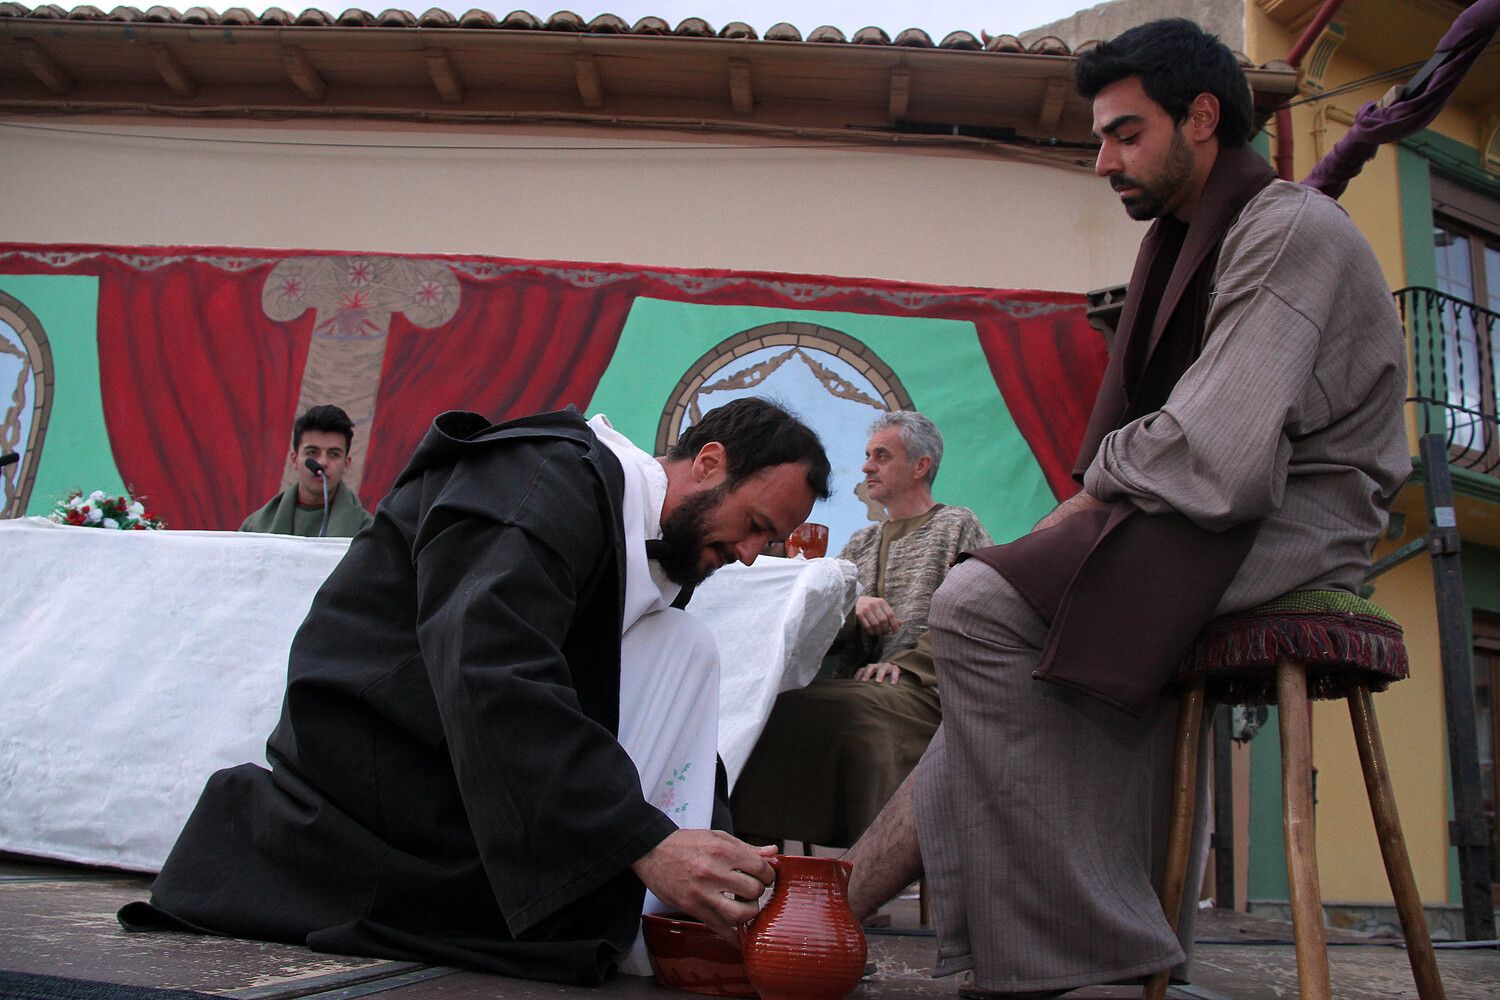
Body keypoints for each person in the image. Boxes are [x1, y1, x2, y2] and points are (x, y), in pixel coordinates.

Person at [842, 19, 1411, 998]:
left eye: (1125, 132)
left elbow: (1219, 456)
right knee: (992, 661)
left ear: (1202, 117)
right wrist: (1086, 509)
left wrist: (1085, 502)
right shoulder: (1191, 243)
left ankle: (1092, 958)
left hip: (1292, 521)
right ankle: (832, 899)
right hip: (1219, 512)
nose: (1102, 158)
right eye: (1100, 136)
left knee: (977, 607)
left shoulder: (1285, 228)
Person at [121, 398, 832, 986]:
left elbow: (636, 699)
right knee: (556, 919)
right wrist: (641, 840)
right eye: (756, 526)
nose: (747, 554)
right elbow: (490, 667)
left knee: (686, 645)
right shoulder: (540, 481)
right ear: (708, 463)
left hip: (475, 758)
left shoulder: (642, 540)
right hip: (387, 764)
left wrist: (716, 852)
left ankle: (655, 915)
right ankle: (623, 896)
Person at [732, 411, 990, 848]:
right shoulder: (860, 544)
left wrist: (907, 667)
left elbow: (979, 613)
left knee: (859, 718)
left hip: (927, 695)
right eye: (868, 456)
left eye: (882, 456)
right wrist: (851, 609)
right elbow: (827, 636)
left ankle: (867, 868)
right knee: (760, 709)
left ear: (920, 466)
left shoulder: (956, 526)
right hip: (858, 686)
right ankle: (752, 856)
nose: (867, 466)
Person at [240, 404, 374, 537]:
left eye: (333, 454)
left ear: (346, 464)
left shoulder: (366, 531)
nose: (322, 462)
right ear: (294, 460)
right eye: (312, 452)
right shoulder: (255, 529)